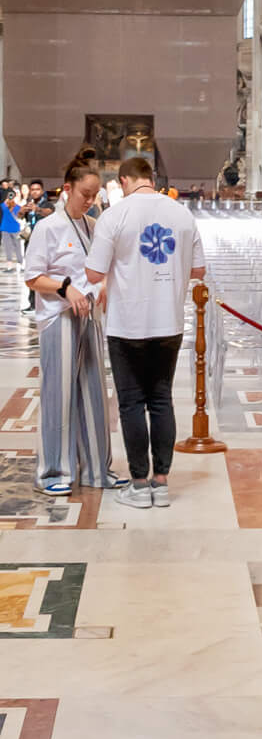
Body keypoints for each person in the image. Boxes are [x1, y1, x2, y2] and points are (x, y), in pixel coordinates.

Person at [84, 153, 205, 508]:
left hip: (128, 323)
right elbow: (199, 270)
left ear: (123, 181)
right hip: (168, 320)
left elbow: (92, 274)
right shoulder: (182, 214)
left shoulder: (114, 215)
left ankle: (138, 484)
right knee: (161, 398)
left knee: (132, 402)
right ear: (151, 178)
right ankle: (162, 482)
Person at [24, 156, 126, 495]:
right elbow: (34, 277)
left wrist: (104, 287)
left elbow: (98, 270)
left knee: (94, 393)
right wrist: (66, 289)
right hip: (59, 317)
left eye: (95, 194)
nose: (90, 200)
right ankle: (53, 470)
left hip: (90, 317)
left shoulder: (92, 226)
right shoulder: (47, 228)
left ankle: (97, 469)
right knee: (59, 394)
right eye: (85, 193)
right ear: (67, 189)